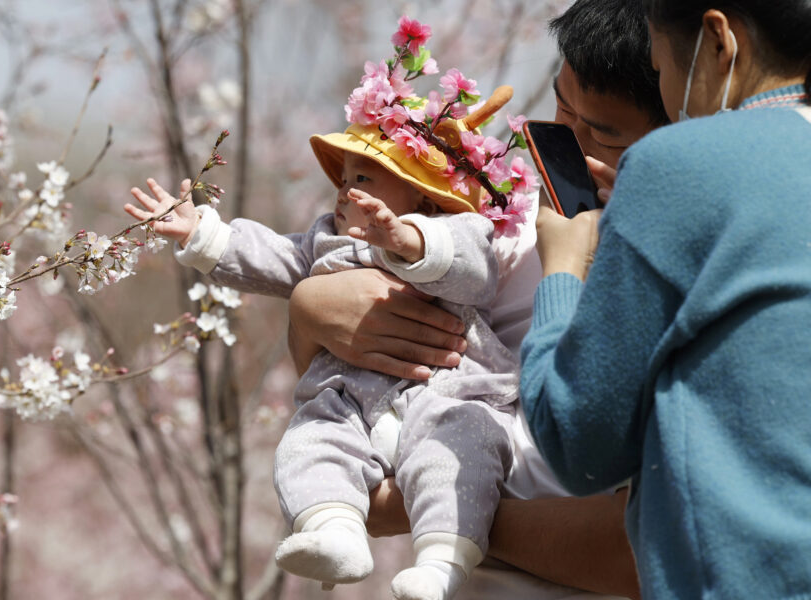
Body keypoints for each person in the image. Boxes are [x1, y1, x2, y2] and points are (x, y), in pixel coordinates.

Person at [286, 1, 669, 598]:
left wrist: (427, 506)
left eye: (603, 132)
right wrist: (310, 308)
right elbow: (360, 380)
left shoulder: (683, 275)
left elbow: (635, 553)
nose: (565, 141)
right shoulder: (509, 234)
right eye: (560, 106)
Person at [124, 98, 540, 598]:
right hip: (348, 403)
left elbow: (474, 269)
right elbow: (270, 254)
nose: (344, 191)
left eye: (364, 179)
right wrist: (203, 235)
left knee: (460, 454)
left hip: (446, 396)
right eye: (343, 179)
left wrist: (407, 239)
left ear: (426, 200)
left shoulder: (452, 235)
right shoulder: (324, 243)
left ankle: (441, 562)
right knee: (308, 442)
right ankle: (334, 532)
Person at [521, 0, 811, 596]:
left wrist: (563, 269)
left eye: (660, 68)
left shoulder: (680, 162)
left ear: (718, 40)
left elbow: (578, 443)